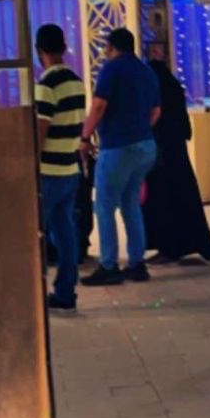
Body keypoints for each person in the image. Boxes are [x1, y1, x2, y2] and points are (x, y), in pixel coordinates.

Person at [80, 27, 160, 286]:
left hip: (118, 146)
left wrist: (85, 137)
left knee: (104, 205)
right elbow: (156, 111)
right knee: (130, 203)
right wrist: (140, 129)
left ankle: (109, 265)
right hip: (145, 145)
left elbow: (99, 105)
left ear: (111, 47)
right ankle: (137, 263)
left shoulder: (112, 69)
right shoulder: (146, 71)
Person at [142, 45, 210, 264]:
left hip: (161, 148)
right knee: (181, 195)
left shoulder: (154, 84)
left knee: (163, 198)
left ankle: (169, 246)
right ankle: (185, 243)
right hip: (174, 147)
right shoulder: (171, 83)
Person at [34, 23, 87, 312]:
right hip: (69, 169)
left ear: (39, 50)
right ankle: (65, 292)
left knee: (33, 234)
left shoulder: (46, 85)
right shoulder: (75, 82)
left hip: (48, 172)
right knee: (65, 233)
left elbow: (40, 131)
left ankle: (32, 293)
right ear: (64, 47)